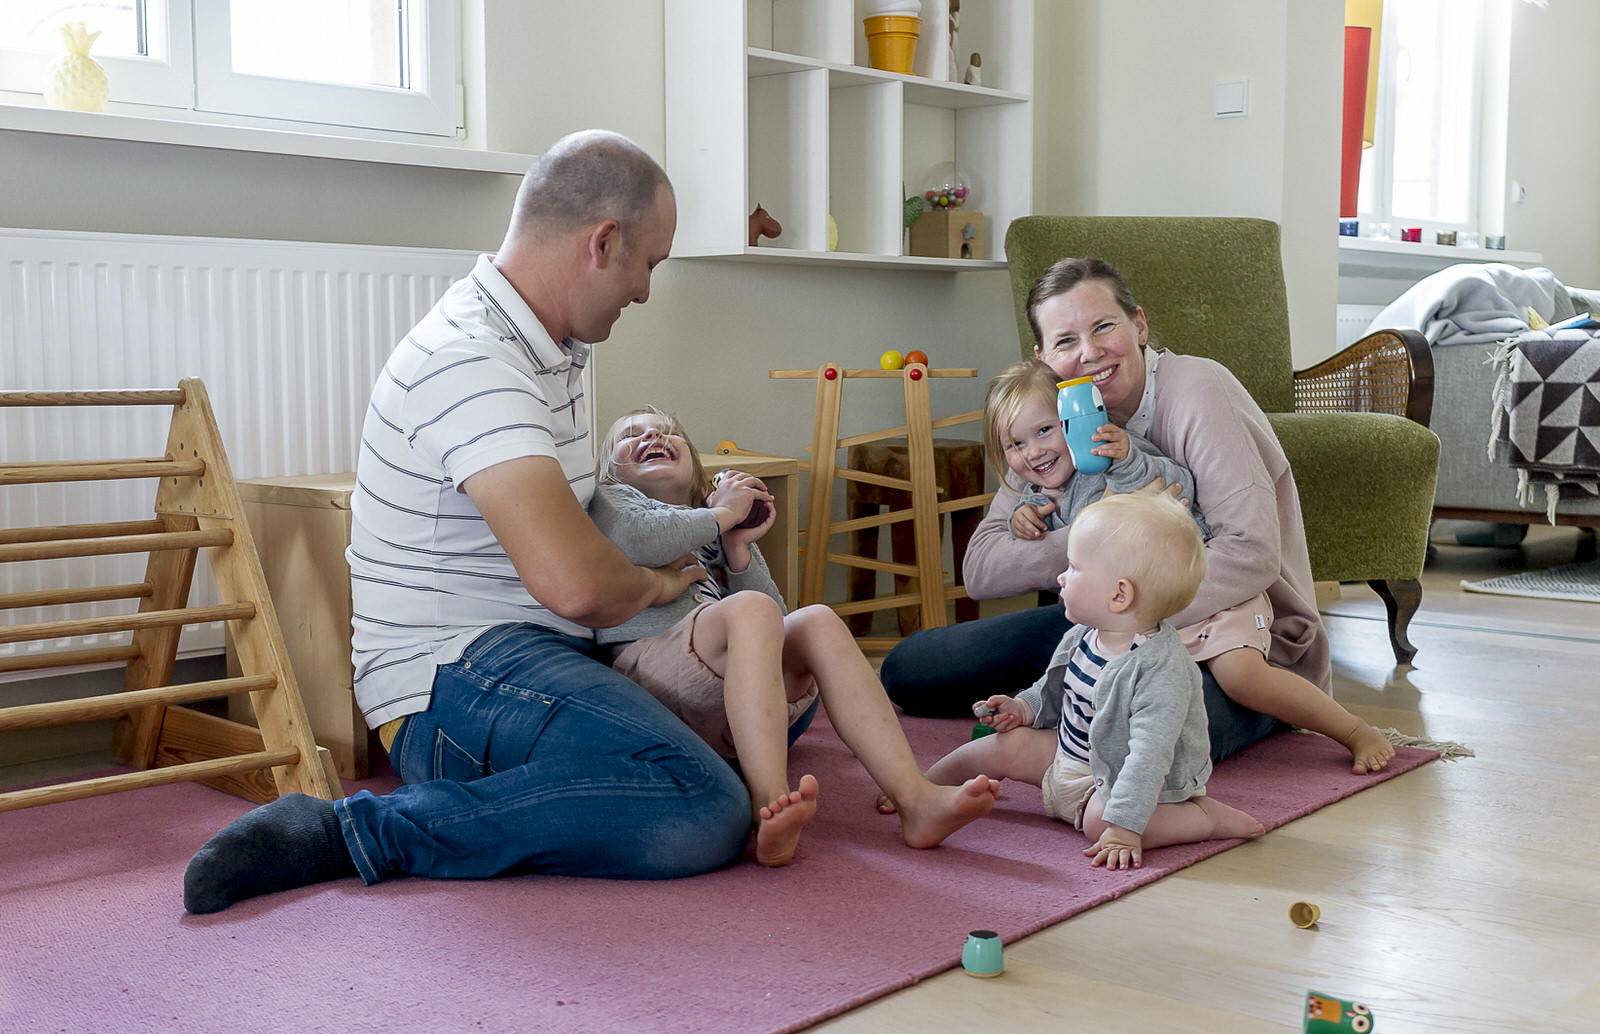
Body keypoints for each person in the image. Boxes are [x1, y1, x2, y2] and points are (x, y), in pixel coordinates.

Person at [182, 131, 760, 914]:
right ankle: (356, 830)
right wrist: (661, 581)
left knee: (775, 696)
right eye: (649, 264)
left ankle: (566, 784)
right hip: (447, 675)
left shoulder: (559, 345)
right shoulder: (469, 358)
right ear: (603, 242)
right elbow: (577, 584)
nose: (647, 291)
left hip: (541, 652)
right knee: (707, 805)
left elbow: (588, 532)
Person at [881, 257, 1393, 774]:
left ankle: (1071, 724)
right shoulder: (1047, 425)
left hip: (1231, 637)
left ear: (1139, 325)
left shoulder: (1198, 391)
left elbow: (1253, 553)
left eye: (1104, 326)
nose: (1089, 352)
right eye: (1065, 341)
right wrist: (1101, 540)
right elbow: (984, 568)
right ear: (1043, 357)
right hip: (1099, 618)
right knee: (911, 669)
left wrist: (1132, 618)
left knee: (1135, 741)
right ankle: (1066, 704)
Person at [589, 407, 998, 867]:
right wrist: (722, 513)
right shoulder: (609, 501)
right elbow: (641, 540)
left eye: (666, 432)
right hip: (651, 676)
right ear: (610, 468)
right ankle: (769, 804)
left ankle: (916, 799)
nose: (652, 436)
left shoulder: (710, 526)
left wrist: (739, 550)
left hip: (725, 686)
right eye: (631, 435)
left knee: (815, 618)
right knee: (750, 610)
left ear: (697, 476)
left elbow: (775, 624)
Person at [984, 359, 1392, 773]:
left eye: (1043, 431)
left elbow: (1177, 482)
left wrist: (1126, 461)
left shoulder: (1115, 451)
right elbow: (1021, 528)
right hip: (1145, 619)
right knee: (1093, 675)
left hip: (1210, 598)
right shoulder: (1041, 493)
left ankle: (1353, 730)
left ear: (1074, 420)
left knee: (1241, 676)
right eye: (1015, 445)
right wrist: (1024, 520)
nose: (1032, 452)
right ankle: (1053, 730)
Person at [924, 492, 1266, 869]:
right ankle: (923, 790)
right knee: (1004, 745)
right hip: (1067, 757)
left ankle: (1204, 818)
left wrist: (1125, 827)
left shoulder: (1161, 671)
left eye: (1073, 568)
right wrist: (1025, 707)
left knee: (1101, 823)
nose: (1061, 577)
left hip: (1121, 782)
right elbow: (1056, 686)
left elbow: (1147, 759)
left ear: (1119, 594)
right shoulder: (1086, 633)